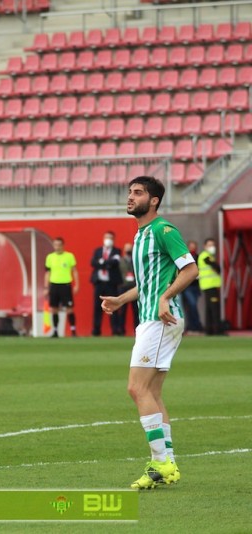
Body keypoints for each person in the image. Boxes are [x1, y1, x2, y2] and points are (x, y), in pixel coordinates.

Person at [100, 176, 198, 489]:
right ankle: (167, 464)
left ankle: (160, 461)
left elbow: (191, 269)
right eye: (129, 192)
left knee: (136, 388)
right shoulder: (142, 235)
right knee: (152, 393)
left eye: (138, 193)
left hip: (162, 320)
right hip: (152, 318)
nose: (130, 197)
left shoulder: (163, 230)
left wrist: (166, 297)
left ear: (153, 200)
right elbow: (149, 284)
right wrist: (121, 299)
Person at [43, 237, 78, 337]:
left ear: (63, 245)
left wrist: (76, 284)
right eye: (55, 245)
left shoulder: (69, 256)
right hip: (54, 284)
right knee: (54, 309)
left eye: (59, 245)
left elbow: (74, 271)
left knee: (69, 308)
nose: (57, 247)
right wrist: (46, 287)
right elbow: (47, 273)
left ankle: (73, 330)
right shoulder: (50, 257)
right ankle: (55, 331)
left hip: (66, 284)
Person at [90, 230, 123, 336]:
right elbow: (93, 262)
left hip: (111, 283)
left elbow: (115, 262)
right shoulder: (98, 251)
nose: (108, 240)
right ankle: (96, 330)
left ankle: (115, 330)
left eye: (110, 238)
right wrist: (106, 263)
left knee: (113, 305)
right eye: (106, 237)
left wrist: (102, 262)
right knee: (97, 307)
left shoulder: (117, 251)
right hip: (99, 283)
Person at [198, 238, 222, 335]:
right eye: (210, 245)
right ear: (204, 246)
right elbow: (217, 268)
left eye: (213, 245)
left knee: (209, 308)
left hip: (208, 285)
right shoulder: (205, 256)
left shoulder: (208, 256)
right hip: (210, 285)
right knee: (214, 308)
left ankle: (209, 330)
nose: (212, 247)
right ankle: (217, 330)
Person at [181, 241, 203, 334]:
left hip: (195, 285)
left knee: (193, 306)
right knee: (191, 306)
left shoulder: (198, 257)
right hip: (187, 286)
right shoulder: (184, 257)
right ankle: (193, 326)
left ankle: (194, 326)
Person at [117, 243, 140, 331]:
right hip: (123, 286)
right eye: (127, 249)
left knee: (136, 310)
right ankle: (121, 330)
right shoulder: (120, 261)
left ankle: (137, 329)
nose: (128, 251)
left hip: (134, 286)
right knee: (122, 310)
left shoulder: (136, 260)